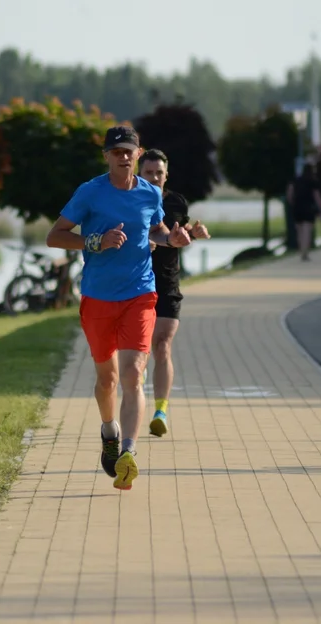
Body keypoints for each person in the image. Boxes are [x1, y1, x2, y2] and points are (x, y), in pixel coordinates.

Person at [46, 126, 192, 490]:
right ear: (106, 156)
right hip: (97, 296)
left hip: (140, 294)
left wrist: (169, 238)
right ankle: (109, 431)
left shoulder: (148, 193)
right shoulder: (90, 192)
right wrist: (94, 241)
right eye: (116, 152)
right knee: (107, 379)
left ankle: (128, 451)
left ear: (138, 154)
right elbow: (55, 235)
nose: (123, 157)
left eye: (129, 151)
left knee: (132, 373)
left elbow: (155, 230)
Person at [136, 149, 211, 439]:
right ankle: (138, 380)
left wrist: (196, 231)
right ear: (139, 174)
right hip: (136, 281)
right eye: (149, 172)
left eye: (159, 173)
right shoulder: (132, 201)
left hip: (167, 282)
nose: (154, 177)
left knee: (162, 344)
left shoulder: (176, 201)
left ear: (167, 175)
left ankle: (161, 411)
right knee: (141, 348)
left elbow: (180, 233)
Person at [286, 163, 321, 261]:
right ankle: (305, 253)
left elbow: (289, 194)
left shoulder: (295, 180)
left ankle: (301, 250)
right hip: (308, 208)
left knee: (299, 231)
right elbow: (317, 197)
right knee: (307, 231)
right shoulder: (313, 181)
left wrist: (292, 203)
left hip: (297, 208)